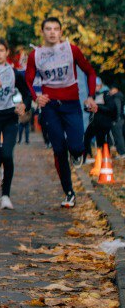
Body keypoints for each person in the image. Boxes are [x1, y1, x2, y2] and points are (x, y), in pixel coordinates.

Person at [26, 16, 98, 207]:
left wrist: (90, 95)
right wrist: (36, 97)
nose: (52, 32)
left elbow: (90, 72)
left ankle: (77, 153)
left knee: (75, 147)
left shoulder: (71, 50)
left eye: (55, 29)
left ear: (60, 32)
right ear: (42, 32)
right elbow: (28, 80)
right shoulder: (36, 55)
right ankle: (69, 193)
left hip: (71, 104)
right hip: (50, 107)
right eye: (48, 29)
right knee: (58, 149)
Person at [0, 39, 31, 210]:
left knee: (7, 155)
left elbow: (27, 92)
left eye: (1, 50)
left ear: (7, 52)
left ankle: (5, 196)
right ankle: (0, 155)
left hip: (9, 117)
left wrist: (24, 105)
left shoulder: (14, 73)